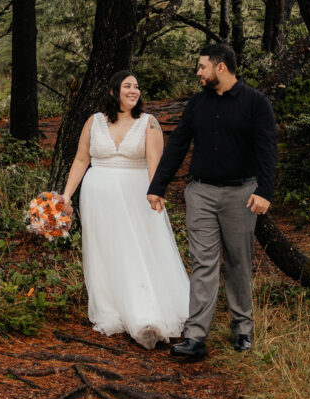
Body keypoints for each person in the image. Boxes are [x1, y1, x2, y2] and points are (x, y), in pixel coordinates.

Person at [148, 44, 276, 360]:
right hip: (201, 193)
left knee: (237, 263)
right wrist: (158, 186)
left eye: (202, 66)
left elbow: (267, 150)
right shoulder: (197, 103)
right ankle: (195, 338)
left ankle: (243, 330)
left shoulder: (255, 103)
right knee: (203, 263)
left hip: (240, 194)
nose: (198, 72)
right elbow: (178, 143)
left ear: (220, 68)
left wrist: (265, 192)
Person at [60, 71, 189, 349]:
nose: (134, 90)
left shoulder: (148, 123)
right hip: (98, 199)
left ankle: (146, 313)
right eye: (127, 86)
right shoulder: (94, 122)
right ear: (112, 91)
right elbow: (82, 159)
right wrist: (67, 196)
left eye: (137, 87)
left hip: (136, 195)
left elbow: (155, 161)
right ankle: (112, 308)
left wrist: (157, 192)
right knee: (106, 250)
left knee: (136, 249)